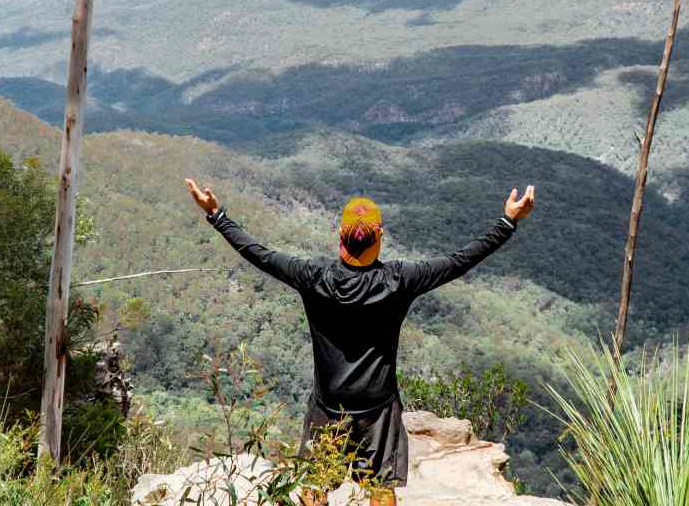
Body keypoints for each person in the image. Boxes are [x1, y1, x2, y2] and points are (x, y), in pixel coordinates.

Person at [184, 178, 536, 506]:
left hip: (328, 408)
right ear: (379, 235)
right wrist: (507, 222)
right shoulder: (399, 281)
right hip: (378, 412)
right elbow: (461, 261)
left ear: (341, 235)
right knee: (380, 488)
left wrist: (216, 214)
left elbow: (258, 253)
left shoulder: (314, 279)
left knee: (315, 487)